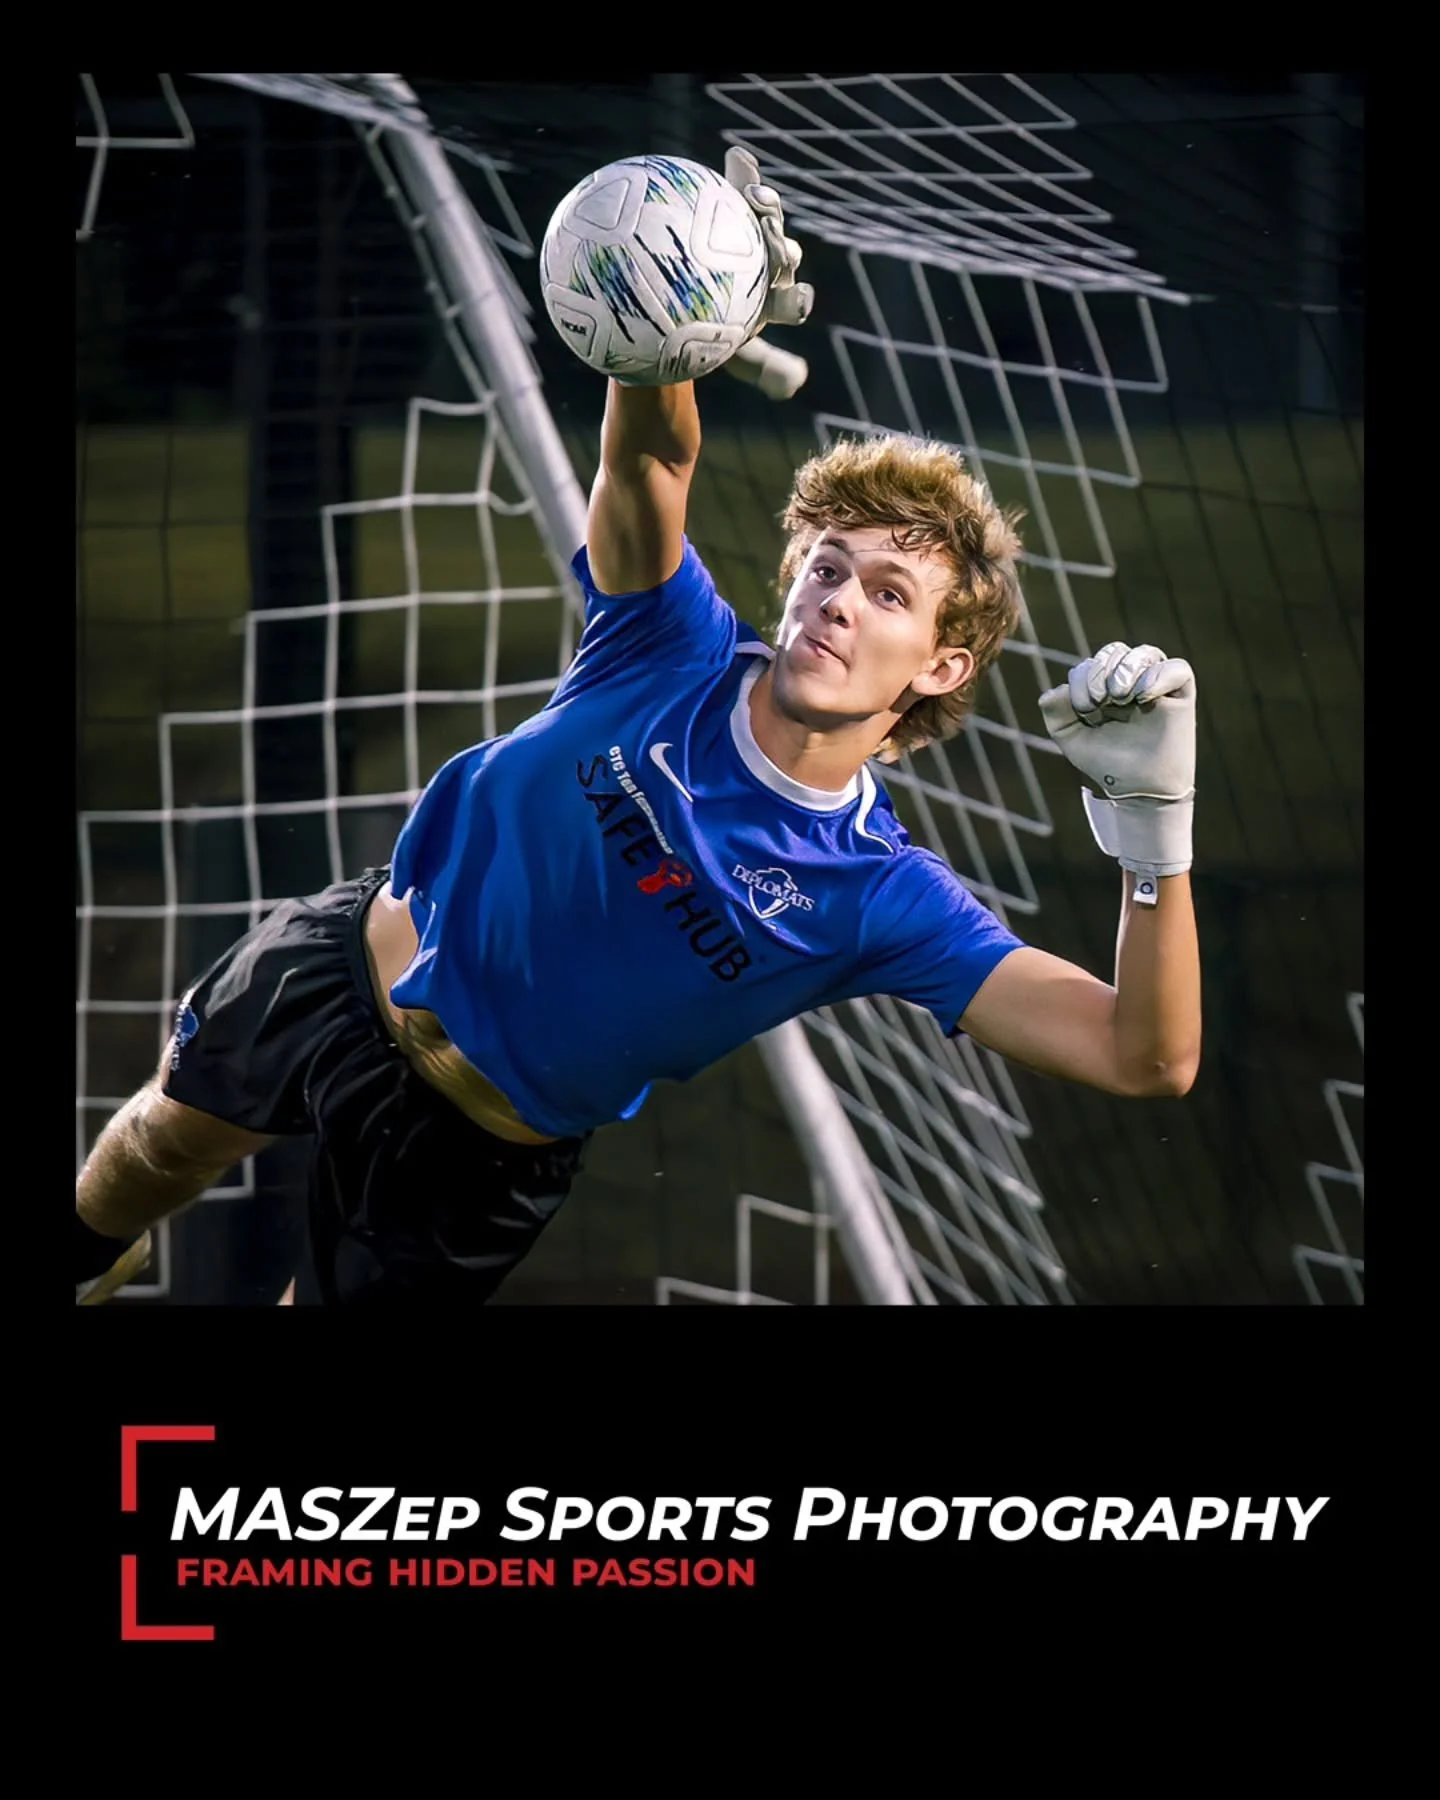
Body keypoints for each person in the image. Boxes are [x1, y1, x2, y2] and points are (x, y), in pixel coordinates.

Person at [74, 150, 1201, 1308]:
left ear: (943, 666)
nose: (841, 601)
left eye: (890, 594)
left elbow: (1146, 1058)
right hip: (345, 962)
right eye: (827, 568)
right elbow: (655, 453)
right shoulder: (670, 642)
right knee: (161, 1142)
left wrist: (1155, 837)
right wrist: (675, 325)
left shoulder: (879, 894)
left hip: (477, 1152)